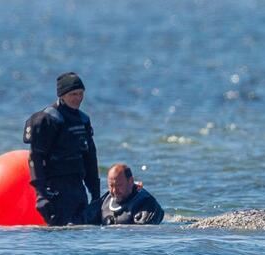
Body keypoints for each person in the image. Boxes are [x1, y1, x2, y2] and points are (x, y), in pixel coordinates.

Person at [23, 72, 100, 225]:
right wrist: (41, 195)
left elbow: (90, 159)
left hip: (77, 188)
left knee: (81, 231)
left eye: (81, 94)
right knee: (60, 232)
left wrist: (95, 194)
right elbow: (35, 157)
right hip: (55, 190)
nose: (78, 98)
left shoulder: (83, 120)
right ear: (62, 95)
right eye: (73, 94)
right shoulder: (47, 119)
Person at [84, 163, 164, 224]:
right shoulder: (104, 202)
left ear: (131, 181)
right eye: (111, 186)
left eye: (118, 185)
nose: (114, 191)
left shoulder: (146, 204)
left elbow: (143, 234)